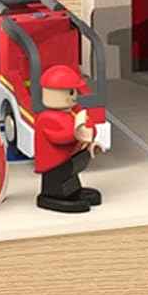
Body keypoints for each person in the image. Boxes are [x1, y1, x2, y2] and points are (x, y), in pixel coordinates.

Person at [34, 62, 101, 213]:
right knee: (59, 178)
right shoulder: (47, 117)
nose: (74, 97)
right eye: (70, 92)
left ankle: (73, 191)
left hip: (70, 157)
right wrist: (76, 133)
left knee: (71, 174)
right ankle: (55, 195)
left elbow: (88, 126)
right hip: (55, 163)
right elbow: (58, 137)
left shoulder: (73, 112)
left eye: (74, 92)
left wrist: (88, 130)